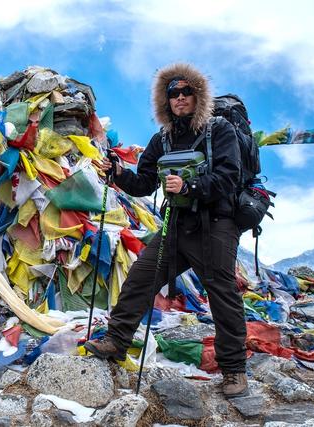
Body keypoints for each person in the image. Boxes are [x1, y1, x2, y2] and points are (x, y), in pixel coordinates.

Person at [85, 63, 249, 398]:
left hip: (216, 224)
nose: (180, 98)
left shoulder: (219, 130)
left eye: (186, 91)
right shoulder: (162, 139)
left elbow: (229, 177)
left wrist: (188, 185)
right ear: (165, 99)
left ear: (198, 95)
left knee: (222, 294)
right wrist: (116, 173)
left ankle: (233, 370)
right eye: (172, 93)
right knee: (141, 277)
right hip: (177, 225)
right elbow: (144, 183)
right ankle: (115, 341)